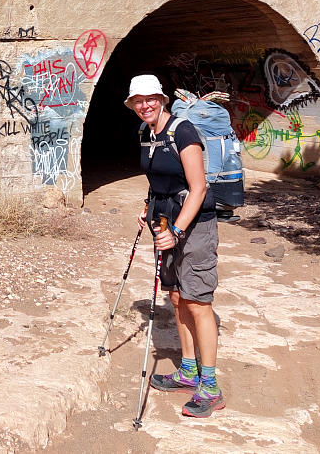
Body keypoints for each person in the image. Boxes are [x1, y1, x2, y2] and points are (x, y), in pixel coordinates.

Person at [125, 74, 225, 418]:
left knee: (198, 301)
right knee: (177, 297)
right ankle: (187, 371)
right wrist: (147, 207)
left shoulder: (183, 132)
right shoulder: (145, 133)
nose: (145, 105)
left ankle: (210, 387)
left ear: (162, 99)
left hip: (193, 225)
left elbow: (198, 188)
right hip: (163, 220)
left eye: (150, 98)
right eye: (138, 101)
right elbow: (158, 181)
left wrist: (178, 232)